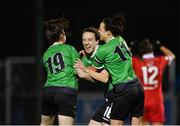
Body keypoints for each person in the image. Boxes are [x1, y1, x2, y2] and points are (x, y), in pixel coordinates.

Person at [75, 14, 144, 125]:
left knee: (114, 124)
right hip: (137, 85)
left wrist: (84, 68)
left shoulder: (104, 50)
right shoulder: (120, 39)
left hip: (122, 89)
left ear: (108, 33)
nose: (98, 31)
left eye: (100, 29)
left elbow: (97, 75)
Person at [41, 17, 79, 125]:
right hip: (66, 91)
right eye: (63, 32)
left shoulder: (46, 54)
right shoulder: (69, 49)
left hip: (48, 91)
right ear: (61, 35)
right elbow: (80, 70)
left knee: (44, 124)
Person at [132, 38, 175, 125]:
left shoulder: (136, 61)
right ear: (152, 50)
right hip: (156, 101)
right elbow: (172, 56)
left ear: (141, 51)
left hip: (142, 101)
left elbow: (124, 59)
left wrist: (131, 47)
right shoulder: (159, 60)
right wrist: (161, 46)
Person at [74, 26, 112, 125]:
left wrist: (83, 71)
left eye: (90, 40)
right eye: (84, 40)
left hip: (118, 95)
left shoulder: (103, 52)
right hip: (109, 97)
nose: (86, 43)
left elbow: (104, 78)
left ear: (97, 41)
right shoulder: (86, 57)